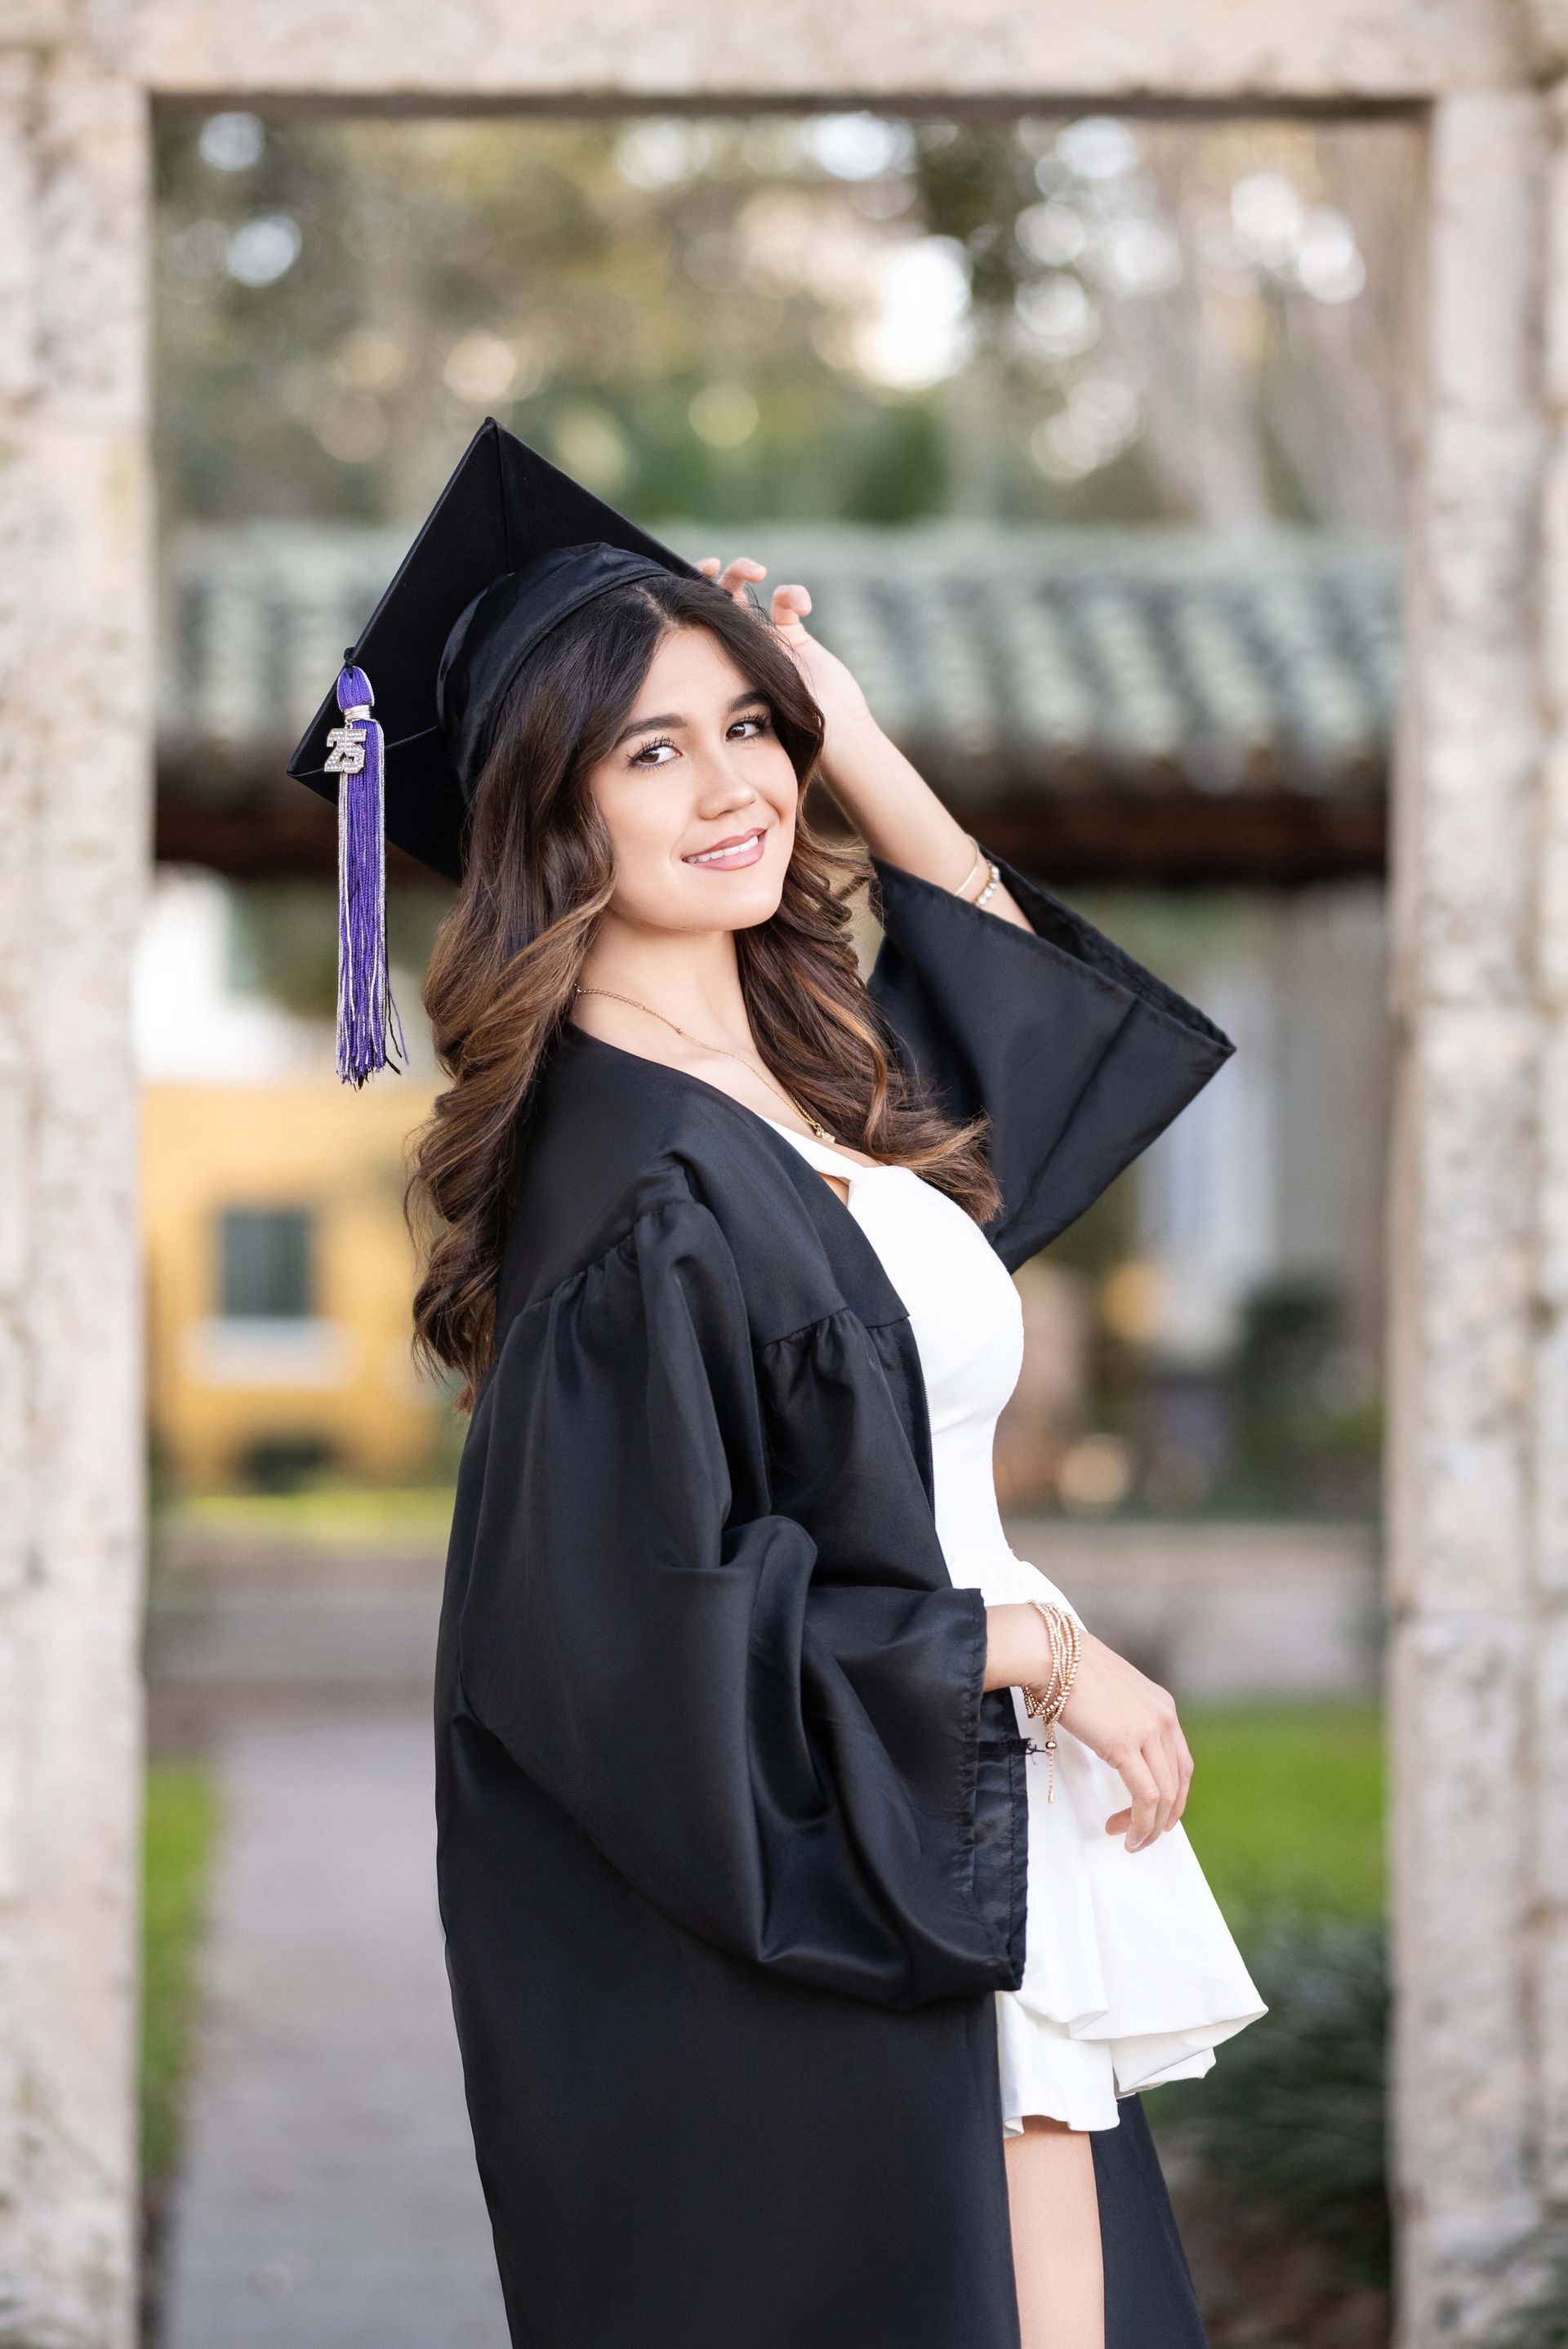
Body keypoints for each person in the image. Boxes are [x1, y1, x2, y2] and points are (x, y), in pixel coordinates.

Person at [288, 419, 1263, 2349]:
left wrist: (847, 721)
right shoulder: (632, 1181)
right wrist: (1037, 1652)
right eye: (654, 749)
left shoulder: (815, 1095)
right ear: (548, 812)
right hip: (830, 1890)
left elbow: (1018, 1011)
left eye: (750, 729)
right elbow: (628, 1638)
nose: (735, 785)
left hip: (955, 1833)